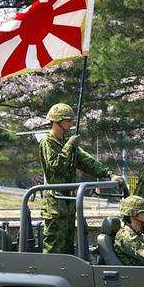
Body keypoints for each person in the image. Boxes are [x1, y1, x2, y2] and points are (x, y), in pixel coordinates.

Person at [39, 103, 124, 254]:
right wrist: (69, 147)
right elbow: (55, 166)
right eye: (67, 120)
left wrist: (109, 174)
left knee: (67, 246)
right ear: (57, 121)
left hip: (68, 203)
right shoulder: (48, 141)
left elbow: (87, 162)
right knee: (54, 246)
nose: (70, 124)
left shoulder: (67, 143)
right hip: (55, 204)